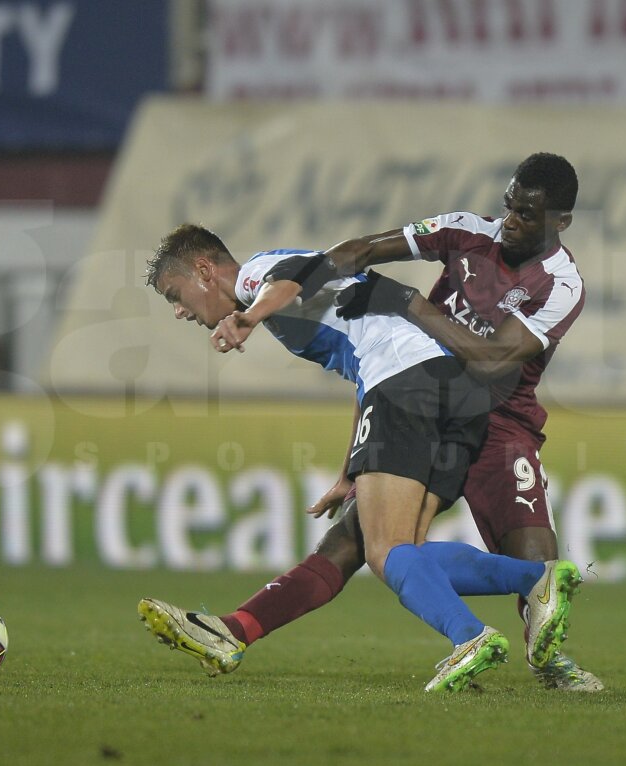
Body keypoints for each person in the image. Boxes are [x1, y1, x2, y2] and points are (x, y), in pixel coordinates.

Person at [140, 224, 583, 692]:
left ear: (204, 270)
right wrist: (349, 469)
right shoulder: (298, 295)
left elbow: (288, 281)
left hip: (405, 383)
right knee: (399, 552)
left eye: (176, 293)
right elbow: (360, 369)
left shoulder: (255, 276)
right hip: (453, 391)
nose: (178, 311)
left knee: (384, 551)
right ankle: (534, 583)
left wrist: (250, 317)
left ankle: (482, 626)